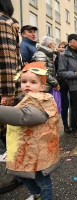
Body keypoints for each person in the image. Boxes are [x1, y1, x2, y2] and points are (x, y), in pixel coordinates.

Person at [0, 62, 60, 200]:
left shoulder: (43, 100)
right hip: (26, 148)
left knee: (42, 180)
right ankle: (36, 193)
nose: (27, 85)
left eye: (33, 82)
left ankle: (45, 197)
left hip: (39, 151)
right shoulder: (24, 98)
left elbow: (23, 117)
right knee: (21, 175)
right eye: (24, 81)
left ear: (42, 87)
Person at [0, 0, 23, 194]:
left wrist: (7, 94)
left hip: (2, 92)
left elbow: (8, 61)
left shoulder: (2, 22)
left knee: (9, 135)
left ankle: (17, 175)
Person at [56, 41, 71, 133]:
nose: (61, 48)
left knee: (71, 104)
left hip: (70, 84)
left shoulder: (68, 58)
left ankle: (72, 124)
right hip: (60, 85)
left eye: (63, 47)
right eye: (60, 46)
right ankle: (65, 125)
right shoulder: (54, 57)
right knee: (64, 105)